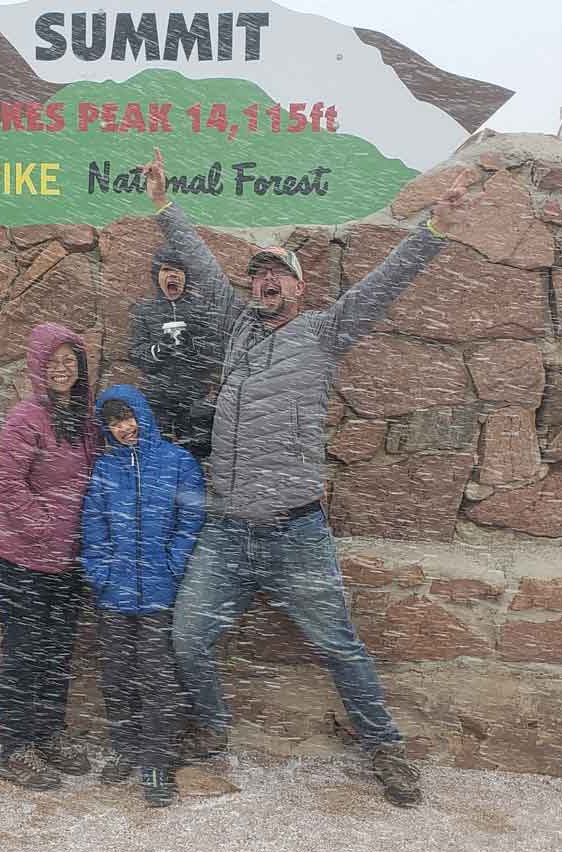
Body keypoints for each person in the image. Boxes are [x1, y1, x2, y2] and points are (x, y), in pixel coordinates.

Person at [138, 147, 472, 808]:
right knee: (185, 635)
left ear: (298, 287)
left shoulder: (324, 332)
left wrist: (433, 227)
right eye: (257, 273)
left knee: (340, 647)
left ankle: (383, 746)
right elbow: (202, 266)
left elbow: (385, 282)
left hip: (296, 534)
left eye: (277, 274)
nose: (264, 281)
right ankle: (211, 726)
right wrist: (162, 207)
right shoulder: (237, 329)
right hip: (227, 532)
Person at [0, 322, 99, 790]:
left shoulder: (86, 419)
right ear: (37, 366)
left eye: (69, 360)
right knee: (24, 655)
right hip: (19, 561)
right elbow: (6, 484)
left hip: (66, 563)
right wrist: (45, 528)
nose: (61, 369)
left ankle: (48, 736)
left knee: (56, 654)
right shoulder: (25, 418)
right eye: (52, 361)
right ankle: (15, 749)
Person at [80, 384, 206, 807]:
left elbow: (191, 517)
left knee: (157, 678)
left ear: (143, 415)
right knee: (116, 676)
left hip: (158, 593)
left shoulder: (176, 462)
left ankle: (157, 759)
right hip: (114, 596)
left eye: (128, 417)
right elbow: (93, 526)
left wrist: (173, 563)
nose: (123, 428)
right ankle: (125, 745)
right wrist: (99, 573)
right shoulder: (103, 470)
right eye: (113, 422)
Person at [127, 244, 221, 457]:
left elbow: (215, 350)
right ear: (157, 276)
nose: (174, 275)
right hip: (157, 399)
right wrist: (158, 350)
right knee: (156, 452)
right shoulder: (144, 311)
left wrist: (193, 347)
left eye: (179, 270)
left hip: (194, 399)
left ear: (187, 277)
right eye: (166, 270)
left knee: (196, 454)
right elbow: (134, 352)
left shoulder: (201, 309)